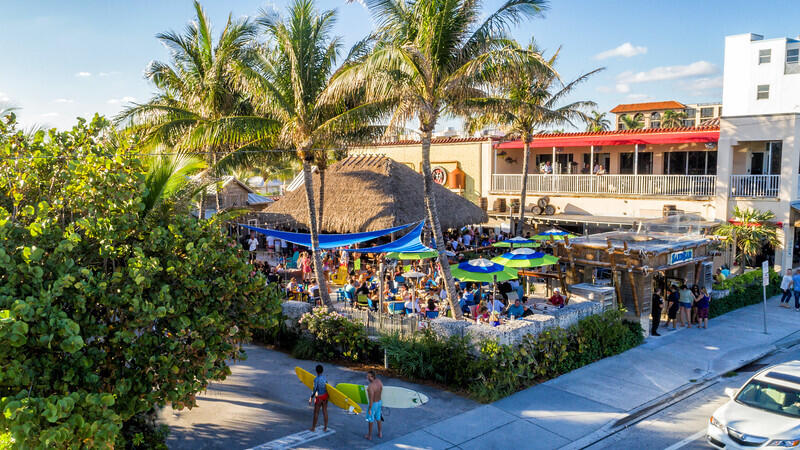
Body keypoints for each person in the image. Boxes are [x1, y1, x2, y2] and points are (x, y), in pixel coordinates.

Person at [309, 364, 329, 432]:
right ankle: (325, 427)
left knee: (316, 412)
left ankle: (313, 428)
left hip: (319, 397)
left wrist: (311, 397)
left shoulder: (316, 379)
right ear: (322, 371)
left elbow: (314, 390)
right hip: (325, 396)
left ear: (316, 371)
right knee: (325, 411)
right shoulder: (325, 378)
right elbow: (327, 387)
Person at [365, 370, 383, 440]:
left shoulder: (370, 386)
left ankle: (369, 436)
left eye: (368, 376)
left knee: (370, 420)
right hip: (379, 402)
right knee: (378, 418)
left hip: (373, 404)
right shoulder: (379, 381)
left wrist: (370, 409)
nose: (367, 377)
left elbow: (371, 399)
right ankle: (380, 433)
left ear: (372, 377)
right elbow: (381, 389)